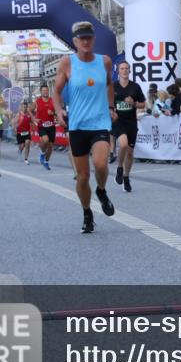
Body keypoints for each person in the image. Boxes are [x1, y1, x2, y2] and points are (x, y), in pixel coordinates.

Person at [53, 21, 116, 233]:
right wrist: (59, 109)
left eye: (89, 37)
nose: (86, 41)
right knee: (82, 176)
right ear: (75, 41)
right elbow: (56, 91)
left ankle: (101, 190)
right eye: (82, 38)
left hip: (99, 122)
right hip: (78, 125)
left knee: (100, 164)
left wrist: (110, 106)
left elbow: (108, 84)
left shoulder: (104, 62)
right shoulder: (66, 63)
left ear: (94, 39)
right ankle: (87, 212)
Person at [111, 60, 146, 193]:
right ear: (118, 71)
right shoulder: (113, 87)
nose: (125, 70)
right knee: (123, 144)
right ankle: (120, 167)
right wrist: (111, 111)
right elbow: (106, 103)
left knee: (130, 152)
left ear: (130, 71)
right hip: (118, 121)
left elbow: (143, 104)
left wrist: (134, 103)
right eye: (122, 68)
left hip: (131, 121)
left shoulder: (135, 87)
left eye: (127, 68)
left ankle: (126, 177)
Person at [33, 85, 56, 171]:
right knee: (45, 140)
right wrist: (34, 118)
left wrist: (53, 113)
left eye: (46, 90)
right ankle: (42, 153)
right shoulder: (37, 101)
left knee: (50, 146)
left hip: (51, 126)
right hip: (42, 126)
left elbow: (57, 112)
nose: (45, 92)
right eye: (43, 90)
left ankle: (46, 161)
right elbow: (29, 109)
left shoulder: (52, 101)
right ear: (41, 92)